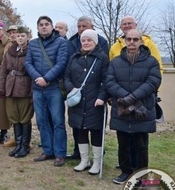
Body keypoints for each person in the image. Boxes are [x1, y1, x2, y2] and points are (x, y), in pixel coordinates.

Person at [107, 29, 161, 184]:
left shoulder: (151, 62)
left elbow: (153, 82)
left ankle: (142, 174)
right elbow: (110, 82)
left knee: (141, 145)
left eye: (135, 39)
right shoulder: (115, 62)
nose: (131, 42)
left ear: (141, 41)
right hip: (122, 110)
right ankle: (125, 171)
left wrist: (132, 98)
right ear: (124, 40)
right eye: (128, 39)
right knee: (123, 144)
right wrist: (128, 99)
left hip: (143, 110)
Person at [64, 29, 109, 175]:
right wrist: (71, 89)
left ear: (95, 42)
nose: (86, 42)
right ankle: (84, 160)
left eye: (89, 40)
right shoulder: (74, 57)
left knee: (96, 132)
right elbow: (67, 77)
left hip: (95, 102)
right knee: (80, 130)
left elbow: (106, 79)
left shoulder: (102, 58)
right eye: (83, 40)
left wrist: (102, 97)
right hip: (77, 101)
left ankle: (97, 162)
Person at [25, 15, 68, 167]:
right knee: (41, 121)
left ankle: (60, 153)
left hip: (54, 87)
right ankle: (47, 150)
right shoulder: (33, 44)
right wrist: (38, 78)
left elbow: (61, 63)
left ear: (52, 27)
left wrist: (47, 78)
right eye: (41, 24)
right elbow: (28, 63)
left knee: (58, 122)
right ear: (37, 28)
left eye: (47, 24)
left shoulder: (61, 42)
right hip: (37, 88)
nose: (44, 27)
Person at [0, 26, 33, 158]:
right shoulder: (10, 52)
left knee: (25, 117)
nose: (20, 38)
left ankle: (25, 146)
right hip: (10, 87)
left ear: (27, 36)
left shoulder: (32, 51)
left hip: (25, 87)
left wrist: (33, 92)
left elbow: (34, 73)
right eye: (18, 36)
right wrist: (1, 89)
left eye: (23, 35)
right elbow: (3, 72)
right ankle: (18, 145)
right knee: (14, 117)